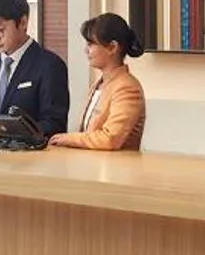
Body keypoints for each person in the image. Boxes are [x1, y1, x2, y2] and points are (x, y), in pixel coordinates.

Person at [0, 0, 71, 141]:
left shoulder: (49, 65)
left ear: (23, 23)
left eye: (0, 30)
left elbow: (54, 124)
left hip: (32, 160)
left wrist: (3, 131)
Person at [49, 12, 147, 151]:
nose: (86, 50)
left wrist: (69, 138)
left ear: (112, 47)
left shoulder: (127, 87)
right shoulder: (100, 83)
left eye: (91, 44)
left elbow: (110, 139)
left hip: (118, 169)